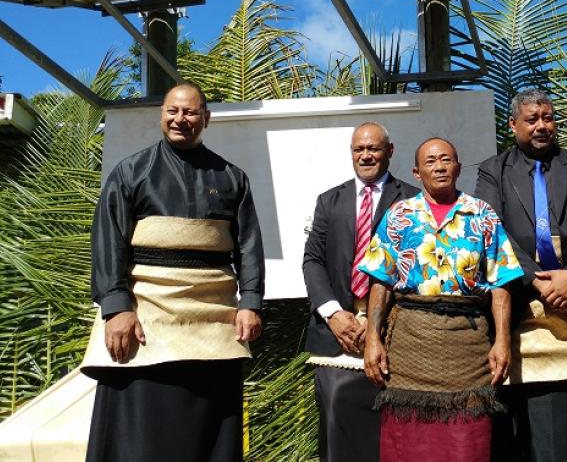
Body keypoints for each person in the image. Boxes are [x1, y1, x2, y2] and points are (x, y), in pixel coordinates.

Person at [81, 83, 265, 462]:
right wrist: (116, 308)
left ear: (206, 119)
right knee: (142, 434)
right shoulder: (131, 172)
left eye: (191, 112)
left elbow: (248, 246)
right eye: (172, 111)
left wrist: (250, 301)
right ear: (161, 115)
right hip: (146, 313)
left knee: (212, 430)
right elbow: (107, 240)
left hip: (214, 320)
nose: (181, 119)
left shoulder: (232, 177)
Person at [475, 89, 567, 462]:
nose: (542, 125)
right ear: (513, 125)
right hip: (525, 304)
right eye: (532, 119)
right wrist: (535, 279)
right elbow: (491, 229)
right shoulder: (492, 171)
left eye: (548, 118)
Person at [360, 137, 523, 462]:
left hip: (468, 347)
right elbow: (380, 280)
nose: (439, 166)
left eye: (446, 159)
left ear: (458, 168)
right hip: (409, 346)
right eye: (431, 161)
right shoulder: (400, 214)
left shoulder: (481, 214)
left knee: (468, 442)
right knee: (408, 444)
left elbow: (502, 283)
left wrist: (503, 340)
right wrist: (372, 340)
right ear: (417, 172)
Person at [302, 122, 418, 462]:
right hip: (338, 335)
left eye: (374, 148)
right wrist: (334, 314)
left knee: (395, 432)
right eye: (359, 149)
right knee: (339, 422)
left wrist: (377, 324)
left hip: (395, 334)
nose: (366, 155)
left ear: (390, 151)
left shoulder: (412, 199)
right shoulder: (329, 200)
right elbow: (312, 261)